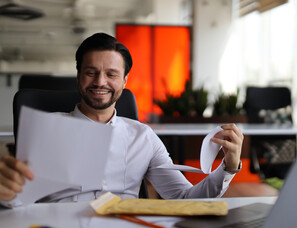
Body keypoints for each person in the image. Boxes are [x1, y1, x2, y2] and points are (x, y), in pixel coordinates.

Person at [0, 33, 244, 207]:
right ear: (78, 77)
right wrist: (7, 192)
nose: (100, 82)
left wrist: (228, 168)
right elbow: (19, 202)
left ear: (125, 80)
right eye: (91, 72)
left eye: (111, 74)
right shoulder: (46, 130)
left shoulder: (143, 136)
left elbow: (184, 199)